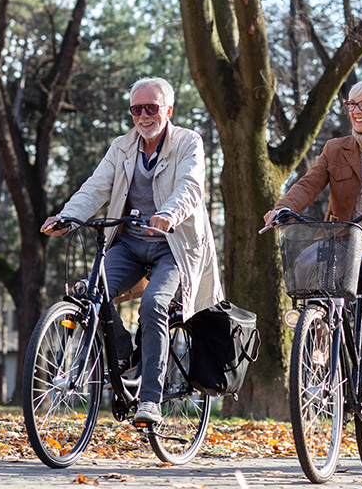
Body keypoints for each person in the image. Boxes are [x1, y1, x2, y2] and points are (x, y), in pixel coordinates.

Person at [41, 77, 224, 425]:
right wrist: (69, 216)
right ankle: (123, 353)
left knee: (154, 304)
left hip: (175, 245)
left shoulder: (188, 142)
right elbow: (96, 186)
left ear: (168, 110)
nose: (143, 115)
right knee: (89, 293)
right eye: (136, 109)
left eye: (151, 108)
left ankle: (150, 400)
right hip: (130, 243)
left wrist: (169, 214)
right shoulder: (122, 146)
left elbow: (190, 185)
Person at [263, 77, 362, 449]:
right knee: (302, 264)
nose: (357, 111)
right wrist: (283, 208)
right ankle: (317, 333)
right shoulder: (335, 148)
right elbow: (309, 183)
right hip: (340, 243)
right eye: (351, 104)